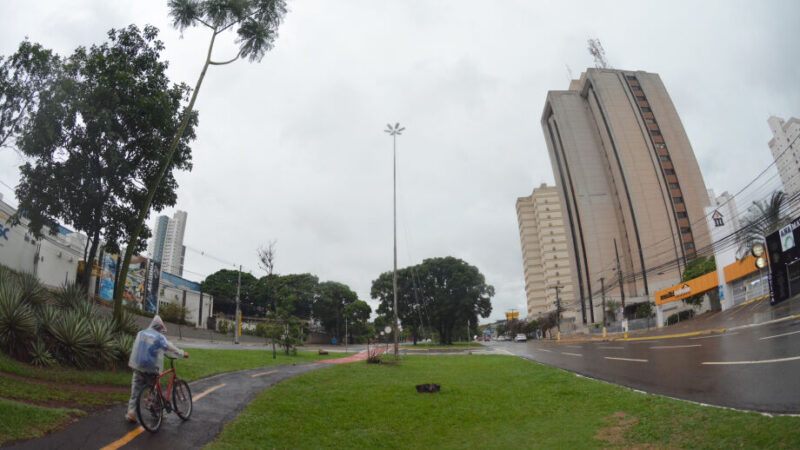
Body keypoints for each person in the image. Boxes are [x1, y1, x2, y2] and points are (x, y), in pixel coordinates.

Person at [125, 315, 189, 423]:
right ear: (160, 328)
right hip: (151, 368)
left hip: (138, 367)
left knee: (135, 391)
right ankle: (158, 412)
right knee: (155, 390)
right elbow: (169, 347)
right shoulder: (159, 337)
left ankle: (131, 411)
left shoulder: (141, 333)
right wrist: (182, 353)